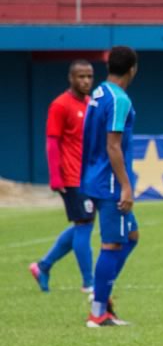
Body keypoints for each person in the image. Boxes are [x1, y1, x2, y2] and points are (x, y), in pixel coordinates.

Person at [81, 46, 140, 327]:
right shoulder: (119, 100)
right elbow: (113, 145)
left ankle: (103, 295)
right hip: (111, 182)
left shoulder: (99, 92)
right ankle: (98, 310)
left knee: (131, 237)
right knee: (112, 243)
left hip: (95, 176)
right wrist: (126, 187)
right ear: (133, 69)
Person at [29, 60, 96, 294]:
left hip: (88, 176)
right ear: (71, 78)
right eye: (81, 76)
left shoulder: (90, 104)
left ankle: (43, 266)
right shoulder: (60, 105)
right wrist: (56, 177)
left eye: (89, 76)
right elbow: (52, 142)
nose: (86, 81)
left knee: (83, 225)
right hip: (71, 176)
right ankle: (89, 283)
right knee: (84, 224)